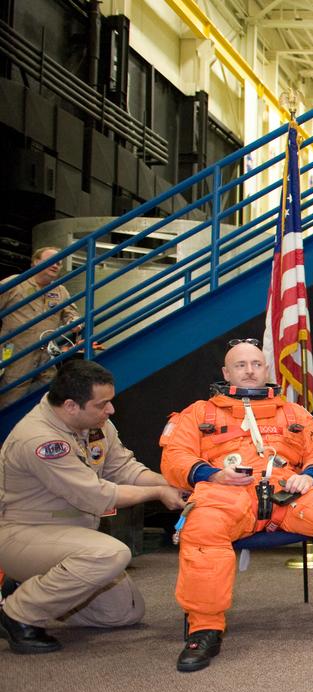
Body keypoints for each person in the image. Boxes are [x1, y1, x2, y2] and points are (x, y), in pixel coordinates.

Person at [159, 340, 313, 672]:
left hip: (288, 492)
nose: (250, 371)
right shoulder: (199, 413)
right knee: (202, 526)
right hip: (227, 492)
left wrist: (310, 477)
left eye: (256, 364)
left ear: (266, 369)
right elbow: (174, 457)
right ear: (226, 372)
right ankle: (204, 629)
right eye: (241, 365)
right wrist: (213, 474)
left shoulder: (293, 413)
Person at [0, 361, 186, 654]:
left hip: (71, 536)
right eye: (102, 404)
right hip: (22, 534)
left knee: (124, 613)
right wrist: (158, 492)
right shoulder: (41, 440)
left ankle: (32, 586)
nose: (111, 410)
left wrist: (177, 483)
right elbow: (97, 495)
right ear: (71, 406)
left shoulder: (95, 424)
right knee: (110, 554)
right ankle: (17, 614)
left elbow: (124, 469)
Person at [1, 247, 82, 407]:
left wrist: (74, 322)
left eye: (59, 263)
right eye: (51, 261)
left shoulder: (60, 291)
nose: (55, 265)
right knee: (10, 399)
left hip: (46, 355)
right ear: (35, 262)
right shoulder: (15, 283)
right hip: (16, 353)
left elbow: (71, 314)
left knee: (50, 398)